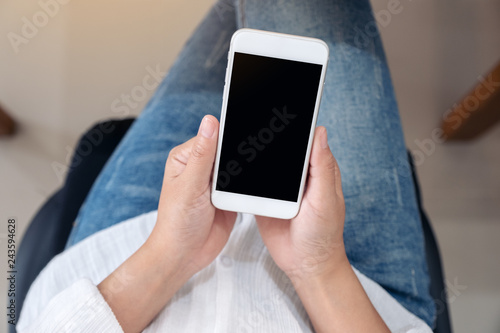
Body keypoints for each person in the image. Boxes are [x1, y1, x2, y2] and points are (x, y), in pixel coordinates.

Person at [17, 0, 436, 332]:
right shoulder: (328, 266)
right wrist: (319, 266)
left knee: (241, 35)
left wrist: (171, 254)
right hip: (352, 285)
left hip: (130, 254)